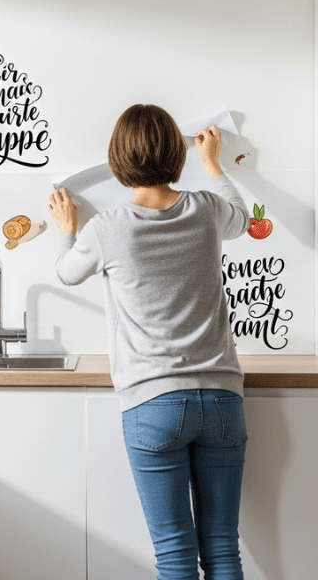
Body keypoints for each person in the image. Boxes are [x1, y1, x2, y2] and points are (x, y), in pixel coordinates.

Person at [48, 104, 251, 580]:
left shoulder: (108, 228)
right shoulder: (205, 209)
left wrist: (66, 231)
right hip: (223, 399)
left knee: (175, 555)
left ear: (118, 159)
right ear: (175, 154)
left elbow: (66, 273)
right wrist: (214, 165)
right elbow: (242, 219)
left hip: (152, 403)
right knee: (222, 549)